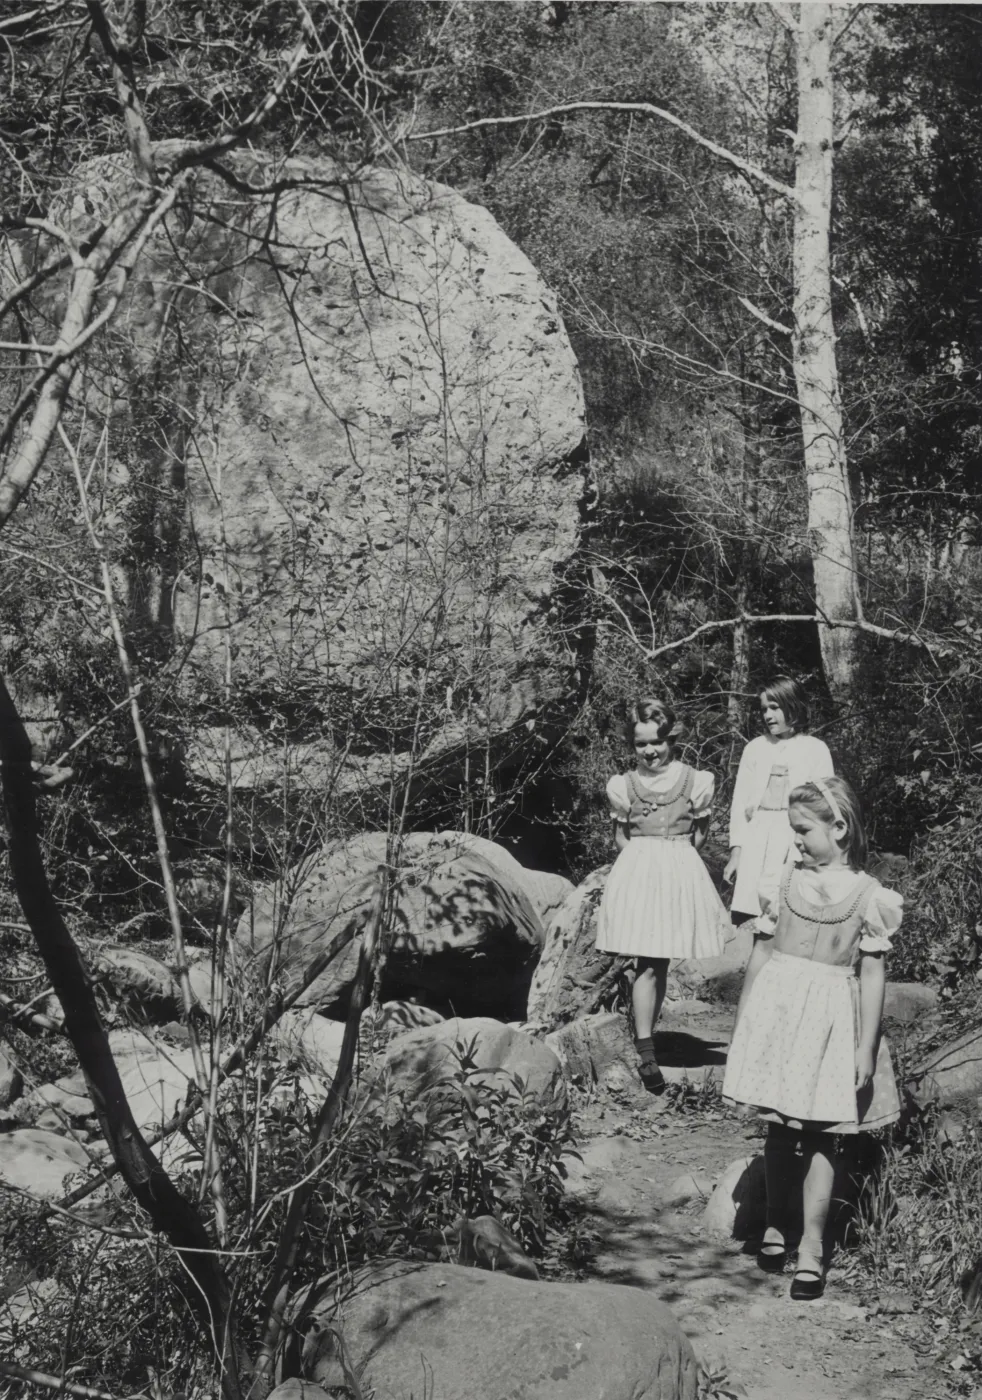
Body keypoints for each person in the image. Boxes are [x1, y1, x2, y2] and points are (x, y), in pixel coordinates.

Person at [722, 776, 902, 1300]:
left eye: (803, 830)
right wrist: (743, 1022)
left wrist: (865, 1044)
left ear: (839, 828)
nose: (796, 841)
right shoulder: (782, 884)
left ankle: (813, 1247)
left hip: (829, 1022)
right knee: (779, 1128)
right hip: (779, 1016)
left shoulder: (870, 896)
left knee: (824, 1132)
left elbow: (871, 973)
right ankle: (777, 1223)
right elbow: (759, 953)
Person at [596, 697, 729, 1093]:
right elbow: (621, 836)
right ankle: (645, 1047)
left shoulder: (694, 780)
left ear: (671, 739)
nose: (650, 751)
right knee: (648, 960)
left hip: (678, 867)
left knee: (662, 959)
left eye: (657, 742)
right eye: (641, 744)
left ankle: (647, 1038)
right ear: (632, 746)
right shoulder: (623, 785)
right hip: (640, 870)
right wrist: (643, 864)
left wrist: (677, 861)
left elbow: (700, 832)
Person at [723, 676, 834, 921]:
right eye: (764, 709)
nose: (768, 715)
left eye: (775, 707)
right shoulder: (755, 748)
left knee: (787, 910)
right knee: (754, 915)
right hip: (758, 837)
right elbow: (740, 805)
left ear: (792, 705)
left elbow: (824, 806)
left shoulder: (815, 749)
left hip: (794, 839)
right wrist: (736, 853)